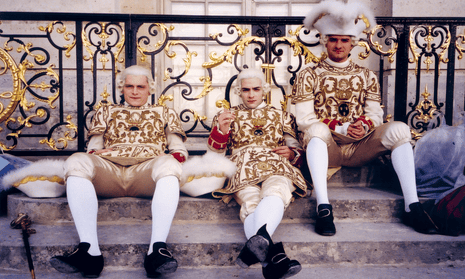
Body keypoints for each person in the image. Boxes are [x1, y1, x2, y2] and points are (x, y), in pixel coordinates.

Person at [291, 0, 437, 236]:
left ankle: (413, 206)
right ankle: (324, 208)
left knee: (400, 130)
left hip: (361, 146)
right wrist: (341, 126)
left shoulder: (366, 75)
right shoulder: (308, 74)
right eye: (334, 39)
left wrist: (365, 125)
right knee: (315, 132)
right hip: (327, 147)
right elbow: (305, 119)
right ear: (325, 41)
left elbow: (375, 114)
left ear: (352, 44)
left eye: (344, 40)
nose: (338, 45)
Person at [49, 65, 188, 278]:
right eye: (129, 86)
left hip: (145, 171)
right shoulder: (106, 111)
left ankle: (156, 251)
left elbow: (179, 149)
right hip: (110, 171)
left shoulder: (165, 112)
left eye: (140, 87)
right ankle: (90, 252)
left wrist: (170, 156)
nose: (134, 91)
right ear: (121, 88)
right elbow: (93, 147)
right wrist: (96, 152)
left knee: (169, 164)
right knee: (77, 160)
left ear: (149, 88)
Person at [207, 68, 308, 279]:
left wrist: (291, 153)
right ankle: (273, 258)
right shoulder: (226, 115)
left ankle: (260, 247)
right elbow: (214, 155)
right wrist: (222, 131)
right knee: (251, 202)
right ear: (238, 91)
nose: (251, 94)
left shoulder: (281, 115)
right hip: (241, 166)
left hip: (275, 164)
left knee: (277, 191)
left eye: (255, 89)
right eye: (245, 90)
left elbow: (295, 147)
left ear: (265, 90)